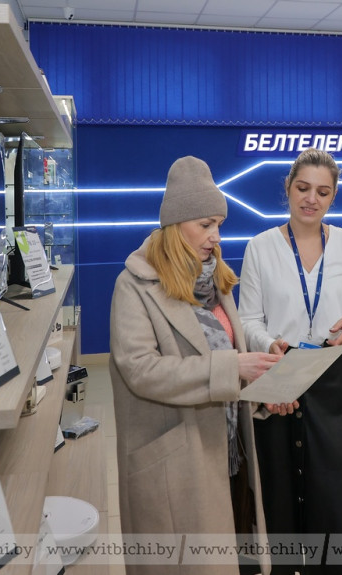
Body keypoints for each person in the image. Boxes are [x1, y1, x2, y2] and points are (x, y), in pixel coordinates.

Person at [110, 156, 280, 575]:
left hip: (230, 457)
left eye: (218, 224)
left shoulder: (217, 282)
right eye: (205, 225)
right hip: (178, 465)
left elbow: (232, 366)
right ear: (175, 225)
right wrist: (232, 368)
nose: (215, 236)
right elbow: (141, 370)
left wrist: (263, 395)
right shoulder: (134, 287)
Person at [238, 148, 342, 574]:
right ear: (288, 188)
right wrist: (270, 344)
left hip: (333, 379)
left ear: (333, 197)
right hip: (279, 376)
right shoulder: (260, 247)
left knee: (335, 492)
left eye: (322, 191)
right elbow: (248, 320)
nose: (311, 199)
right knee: (279, 489)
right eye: (303, 188)